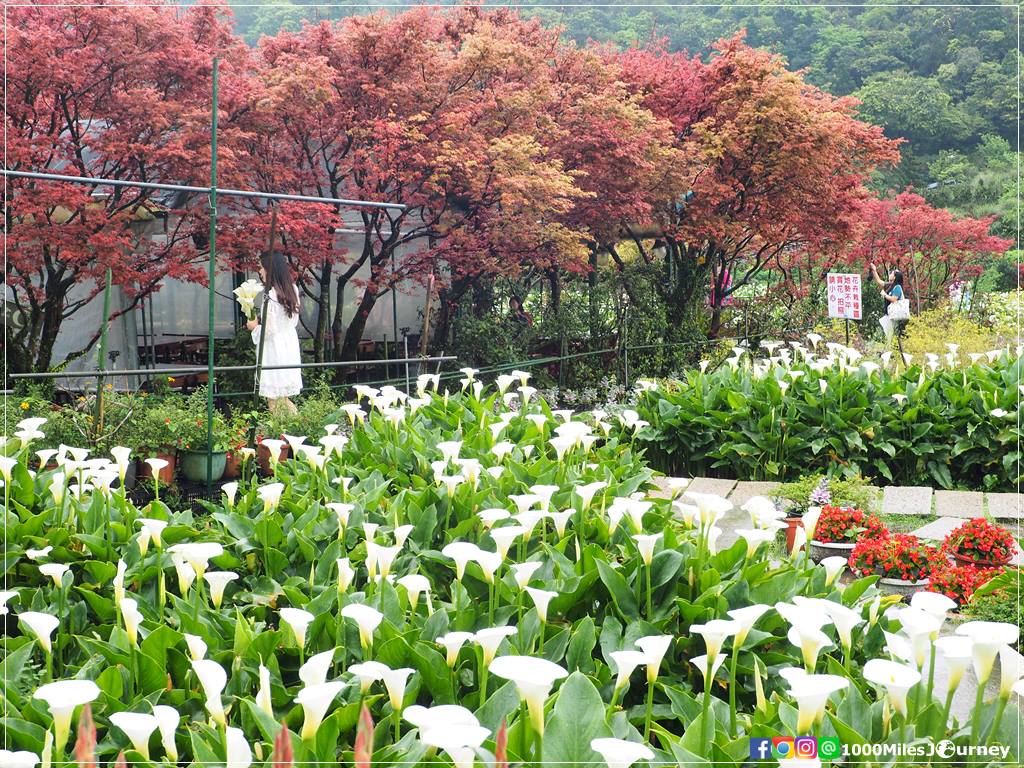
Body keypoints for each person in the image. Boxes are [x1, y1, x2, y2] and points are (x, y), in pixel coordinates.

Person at [247, 251, 302, 415]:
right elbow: (291, 321)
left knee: (273, 399)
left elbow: (268, 331)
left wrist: (254, 326)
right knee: (282, 398)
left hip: (274, 350)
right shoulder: (292, 289)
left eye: (261, 267)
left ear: (269, 268)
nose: (260, 271)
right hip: (289, 346)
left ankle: (284, 435)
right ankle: (299, 431)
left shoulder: (271, 295)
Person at [870, 263, 906, 341]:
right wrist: (874, 270)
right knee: (889, 335)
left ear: (895, 277)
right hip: (890, 315)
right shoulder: (891, 285)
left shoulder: (897, 287)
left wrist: (884, 295)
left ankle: (895, 349)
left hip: (895, 317)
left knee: (893, 336)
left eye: (892, 273)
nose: (890, 274)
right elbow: (879, 281)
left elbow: (894, 299)